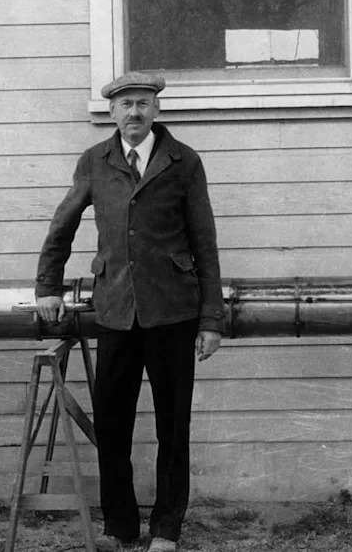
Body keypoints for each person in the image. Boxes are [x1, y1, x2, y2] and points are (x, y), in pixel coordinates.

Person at [35, 71, 224, 552]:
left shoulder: (184, 161)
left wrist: (211, 319)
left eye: (143, 103)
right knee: (112, 425)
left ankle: (166, 529)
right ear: (112, 112)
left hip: (173, 312)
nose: (134, 112)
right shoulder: (95, 161)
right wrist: (48, 286)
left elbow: (204, 241)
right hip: (116, 311)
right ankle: (119, 527)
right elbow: (63, 224)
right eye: (126, 105)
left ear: (156, 109)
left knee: (173, 427)